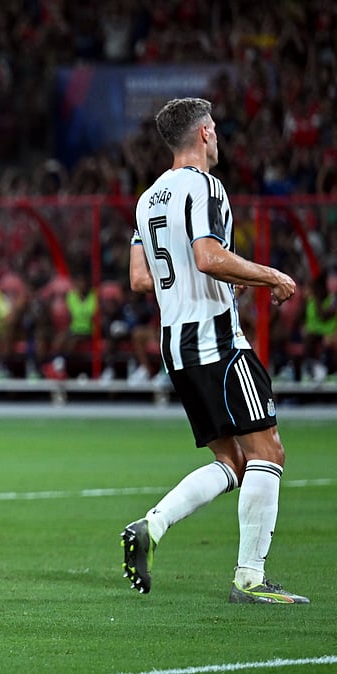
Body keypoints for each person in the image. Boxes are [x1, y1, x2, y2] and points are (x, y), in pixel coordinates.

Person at [123, 97, 308, 604]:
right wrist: (268, 274)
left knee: (234, 462)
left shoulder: (148, 198)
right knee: (268, 451)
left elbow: (141, 278)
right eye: (216, 130)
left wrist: (223, 276)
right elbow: (207, 257)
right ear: (204, 133)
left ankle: (151, 526)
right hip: (217, 340)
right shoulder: (205, 186)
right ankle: (250, 579)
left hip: (175, 347)